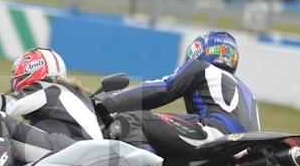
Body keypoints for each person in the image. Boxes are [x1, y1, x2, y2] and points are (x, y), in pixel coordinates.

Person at [96, 31, 260, 157]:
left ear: (198, 51)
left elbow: (162, 89)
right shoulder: (247, 91)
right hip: (246, 149)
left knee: (129, 120)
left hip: (216, 135)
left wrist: (107, 102)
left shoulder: (202, 67)